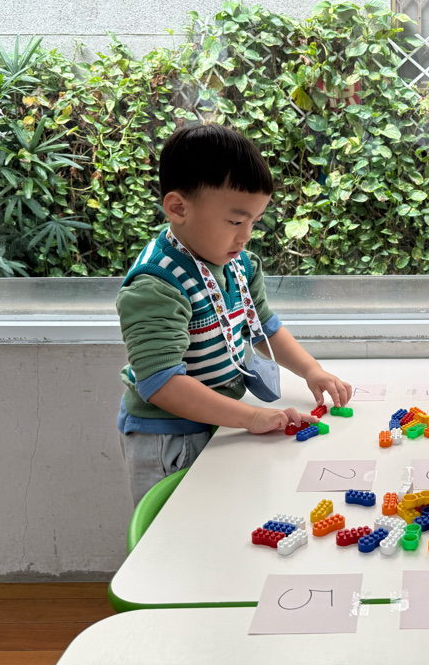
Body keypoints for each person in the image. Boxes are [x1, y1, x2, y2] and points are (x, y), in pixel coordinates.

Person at [116, 124, 351, 504]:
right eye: (235, 222)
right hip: (170, 437)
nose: (246, 236)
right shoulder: (156, 286)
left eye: (254, 222)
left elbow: (265, 326)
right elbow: (161, 383)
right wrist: (250, 417)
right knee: (182, 527)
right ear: (178, 208)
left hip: (224, 422)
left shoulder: (239, 263)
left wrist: (312, 370)